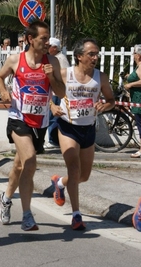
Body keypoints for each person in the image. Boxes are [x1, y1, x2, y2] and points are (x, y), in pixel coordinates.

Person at [0, 20, 66, 231]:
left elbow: (61, 93)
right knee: (30, 160)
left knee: (19, 165)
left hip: (39, 122)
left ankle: (6, 199)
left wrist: (51, 76)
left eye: (48, 38)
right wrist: (3, 92)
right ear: (30, 39)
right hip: (18, 118)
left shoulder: (52, 60)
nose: (47, 42)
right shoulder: (16, 60)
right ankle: (27, 215)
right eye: (43, 38)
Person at [50, 38, 115, 230]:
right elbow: (47, 93)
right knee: (73, 168)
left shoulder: (100, 77)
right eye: (91, 54)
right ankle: (76, 215)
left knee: (84, 176)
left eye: (97, 54)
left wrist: (105, 105)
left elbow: (111, 100)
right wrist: (52, 106)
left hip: (88, 128)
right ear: (79, 56)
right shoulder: (64, 74)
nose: (95, 57)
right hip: (68, 126)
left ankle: (59, 183)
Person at [44, 37, 71, 150]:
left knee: (54, 117)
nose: (47, 48)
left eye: (49, 46)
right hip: (54, 92)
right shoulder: (55, 58)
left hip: (57, 93)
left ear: (55, 48)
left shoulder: (60, 59)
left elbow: (64, 77)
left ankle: (53, 140)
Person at [124, 44, 141, 158]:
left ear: (139, 55)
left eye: (134, 53)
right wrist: (128, 76)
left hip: (139, 100)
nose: (133, 56)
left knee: (140, 125)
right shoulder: (138, 66)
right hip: (136, 98)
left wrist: (130, 84)